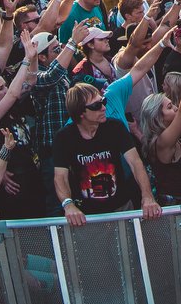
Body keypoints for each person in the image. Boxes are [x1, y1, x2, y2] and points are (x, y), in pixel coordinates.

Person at [53, 82, 163, 225]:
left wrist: (147, 196)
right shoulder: (64, 138)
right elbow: (60, 176)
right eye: (96, 105)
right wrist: (68, 205)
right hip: (87, 217)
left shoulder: (115, 127)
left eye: (103, 101)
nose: (104, 108)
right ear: (80, 113)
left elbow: (135, 163)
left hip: (122, 208)